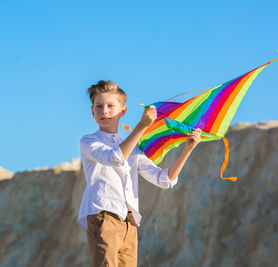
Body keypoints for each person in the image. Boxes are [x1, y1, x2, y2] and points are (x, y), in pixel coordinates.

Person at [78, 80, 202, 266]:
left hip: (129, 222)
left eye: (111, 106)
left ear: (123, 111)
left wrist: (188, 149)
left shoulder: (133, 148)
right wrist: (142, 126)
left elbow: (164, 179)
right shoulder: (88, 141)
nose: (104, 111)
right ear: (92, 112)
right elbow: (115, 158)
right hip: (103, 216)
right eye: (99, 106)